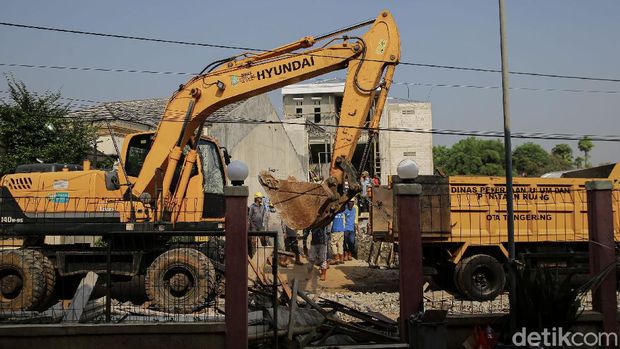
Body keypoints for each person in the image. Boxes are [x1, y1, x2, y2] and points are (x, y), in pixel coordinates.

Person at [248, 192, 266, 256]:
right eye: (260, 197)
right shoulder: (252, 207)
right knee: (254, 242)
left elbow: (263, 217)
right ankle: (253, 256)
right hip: (253, 227)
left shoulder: (262, 207)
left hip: (260, 227)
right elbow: (249, 218)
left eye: (261, 197)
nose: (261, 198)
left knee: (262, 241)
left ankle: (261, 256)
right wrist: (251, 227)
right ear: (256, 198)